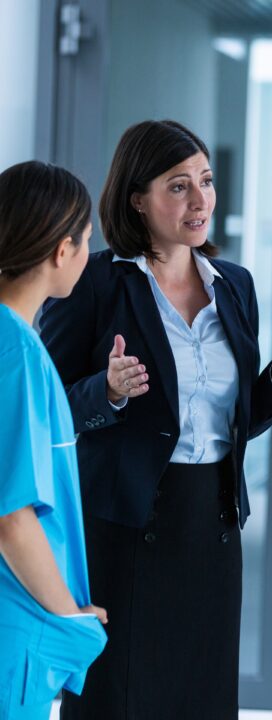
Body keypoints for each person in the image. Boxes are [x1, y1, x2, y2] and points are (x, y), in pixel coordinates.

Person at [39, 119, 272, 720]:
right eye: (178, 186)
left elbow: (234, 422)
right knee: (119, 698)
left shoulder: (235, 286)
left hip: (212, 526)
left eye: (205, 181)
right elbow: (50, 410)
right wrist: (108, 392)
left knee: (201, 699)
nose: (200, 198)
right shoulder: (96, 282)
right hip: (127, 530)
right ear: (138, 199)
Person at [0, 161, 107, 720]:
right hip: (18, 626)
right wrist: (71, 619)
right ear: (61, 252)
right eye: (87, 242)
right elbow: (12, 517)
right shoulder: (15, 353)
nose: (89, 256)